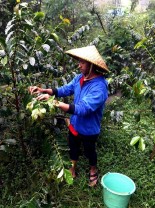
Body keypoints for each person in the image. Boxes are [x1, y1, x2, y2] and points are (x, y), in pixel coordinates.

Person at [28, 45, 109, 187]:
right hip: (75, 124)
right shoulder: (80, 78)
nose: (79, 66)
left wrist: (54, 102)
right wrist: (43, 90)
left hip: (89, 128)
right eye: (79, 62)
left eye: (82, 63)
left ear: (91, 65)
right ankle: (72, 167)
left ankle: (93, 169)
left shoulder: (100, 87)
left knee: (90, 151)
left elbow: (83, 109)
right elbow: (65, 89)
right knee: (73, 146)